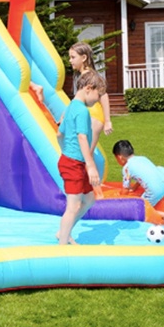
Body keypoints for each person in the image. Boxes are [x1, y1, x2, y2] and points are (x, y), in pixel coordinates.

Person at [56, 69, 106, 245]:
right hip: (74, 164)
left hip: (72, 160)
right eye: (98, 95)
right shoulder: (83, 111)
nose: (97, 100)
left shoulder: (70, 108)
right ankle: (62, 246)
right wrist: (90, 166)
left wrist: (66, 153)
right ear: (89, 88)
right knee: (74, 206)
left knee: (89, 199)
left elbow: (59, 135)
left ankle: (64, 231)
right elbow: (82, 137)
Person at [112, 139, 164, 226]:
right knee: (159, 168)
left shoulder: (127, 167)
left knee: (139, 209)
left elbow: (125, 191)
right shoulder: (142, 158)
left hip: (155, 191)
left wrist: (119, 201)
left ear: (119, 157)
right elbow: (145, 175)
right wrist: (134, 188)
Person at [68, 41, 113, 151]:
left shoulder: (90, 76)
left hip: (94, 117)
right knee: (84, 154)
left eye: (73, 57)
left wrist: (107, 121)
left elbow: (103, 95)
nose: (70, 61)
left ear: (83, 57)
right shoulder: (85, 75)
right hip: (90, 116)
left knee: (86, 154)